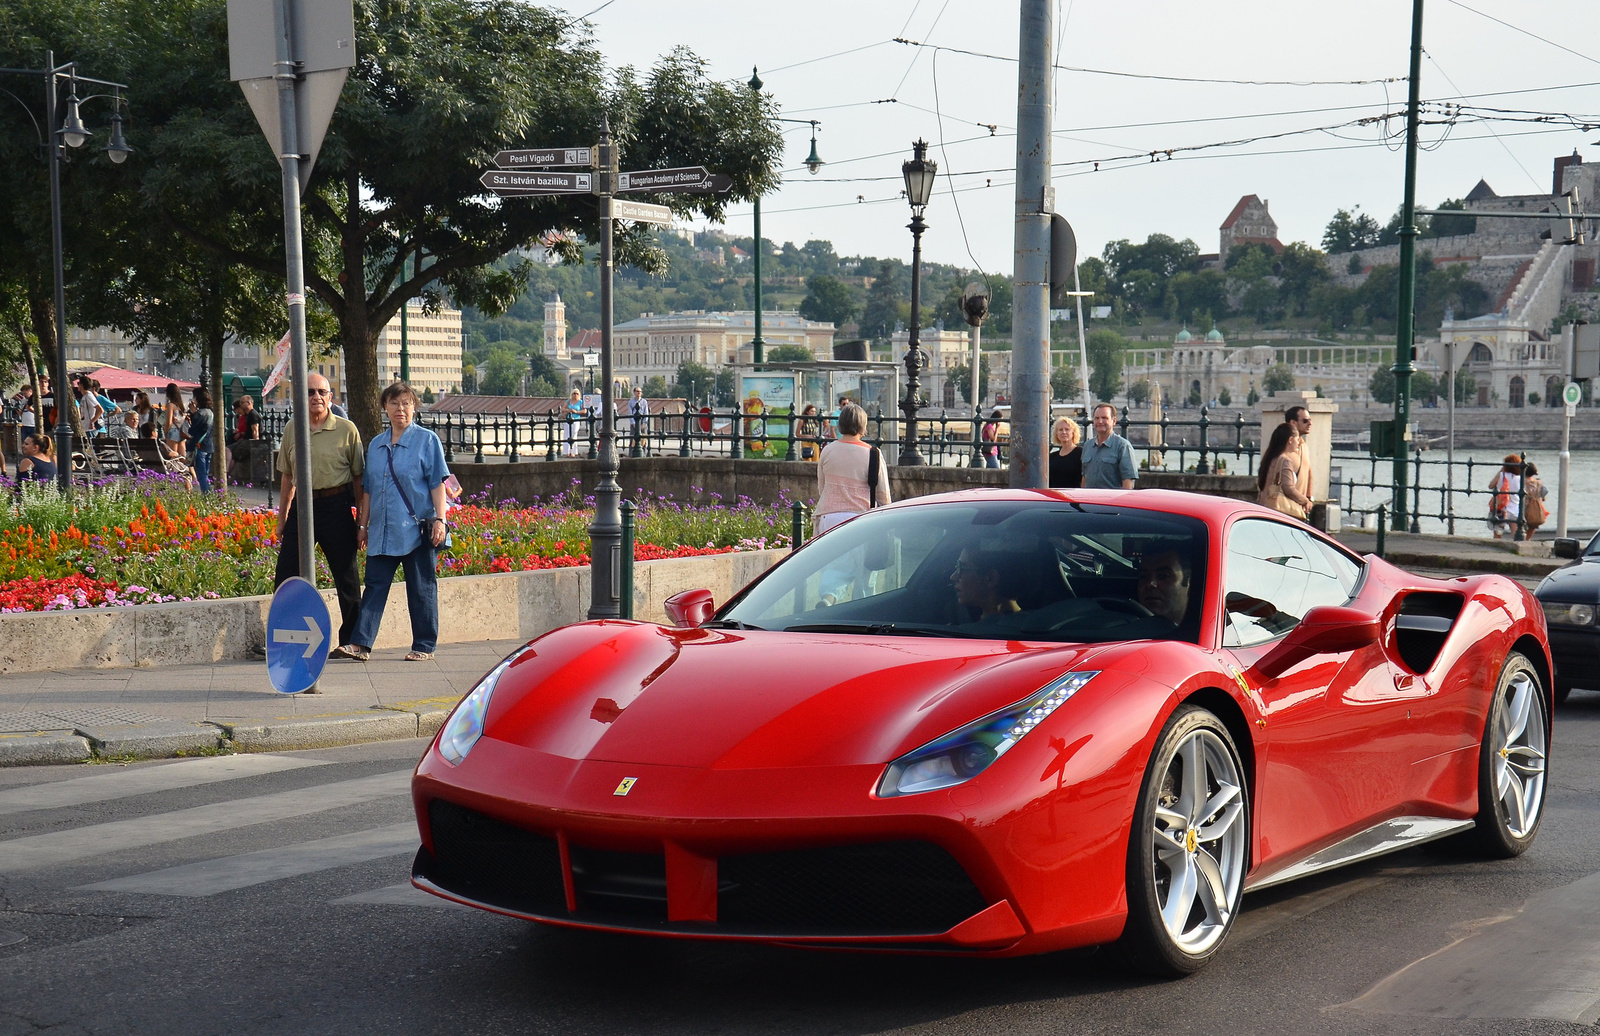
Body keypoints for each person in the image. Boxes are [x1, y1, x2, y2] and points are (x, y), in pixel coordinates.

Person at [343, 381, 451, 663]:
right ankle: (360, 644)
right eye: (394, 403)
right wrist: (363, 526)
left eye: (406, 403)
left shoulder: (427, 441)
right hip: (382, 529)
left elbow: (437, 484)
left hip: (416, 529)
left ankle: (424, 645)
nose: (400, 409)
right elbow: (367, 489)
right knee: (375, 586)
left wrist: (440, 519)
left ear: (414, 407)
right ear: (385, 408)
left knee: (421, 586)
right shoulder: (376, 445)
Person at [275, 372, 365, 665]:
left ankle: (352, 640)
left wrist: (362, 523)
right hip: (303, 507)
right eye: (310, 392)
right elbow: (288, 477)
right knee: (286, 574)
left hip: (336, 506)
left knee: (346, 576)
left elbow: (359, 480)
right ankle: (282, 639)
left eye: (321, 392)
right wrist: (282, 518)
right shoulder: (293, 428)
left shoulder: (346, 430)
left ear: (330, 397)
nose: (316, 397)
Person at [814, 402, 891, 536]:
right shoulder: (873, 454)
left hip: (828, 517)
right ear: (863, 425)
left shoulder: (827, 450)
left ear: (840, 424)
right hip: (861, 517)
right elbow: (883, 495)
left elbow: (822, 487)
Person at [951, 546, 1023, 621]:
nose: (953, 577)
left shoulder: (966, 630)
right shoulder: (1025, 626)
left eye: (961, 568)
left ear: (991, 578)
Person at [1256, 424, 1311, 520]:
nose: (1299, 443)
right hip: (1278, 512)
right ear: (1290, 440)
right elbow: (1288, 488)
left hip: (1264, 508)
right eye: (1297, 440)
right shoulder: (1285, 460)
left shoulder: (1270, 458)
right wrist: (1305, 501)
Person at [1081, 403, 1137, 490]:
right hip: (1089, 501)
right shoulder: (1087, 446)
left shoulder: (1123, 446)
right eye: (1097, 418)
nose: (1100, 421)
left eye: (1104, 418)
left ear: (1114, 421)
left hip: (1110, 501)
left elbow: (1128, 480)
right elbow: (1085, 477)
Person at [1137, 548, 1192, 627]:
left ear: (1189, 581)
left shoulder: (1208, 631)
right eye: (1144, 576)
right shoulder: (1127, 628)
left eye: (1164, 576)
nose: (1150, 584)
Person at [187, 385, 217, 494]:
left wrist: (193, 413)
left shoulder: (201, 413)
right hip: (209, 446)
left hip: (200, 446)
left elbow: (193, 430)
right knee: (206, 472)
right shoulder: (210, 412)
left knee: (201, 474)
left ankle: (206, 494)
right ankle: (208, 491)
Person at [1285, 405, 1315, 504]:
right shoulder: (1283, 447)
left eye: (1310, 420)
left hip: (1300, 505)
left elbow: (1309, 472)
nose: (1310, 424)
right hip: (1285, 506)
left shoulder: (1304, 446)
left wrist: (1309, 497)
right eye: (1305, 421)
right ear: (1293, 422)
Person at [1489, 455, 1523, 540]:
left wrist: (1501, 470)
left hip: (1502, 507)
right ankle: (1515, 549)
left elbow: (1491, 486)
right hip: (1515, 508)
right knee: (1515, 534)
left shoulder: (1502, 475)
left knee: (1498, 533)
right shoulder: (1520, 478)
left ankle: (1496, 548)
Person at [1048, 416, 1083, 488]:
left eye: (1067, 429)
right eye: (1060, 430)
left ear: (1073, 433)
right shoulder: (1052, 457)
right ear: (1056, 434)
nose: (1064, 432)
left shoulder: (1080, 453)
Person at [1523, 462, 1549, 537]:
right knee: (1533, 525)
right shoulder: (1538, 483)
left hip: (1525, 507)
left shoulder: (1522, 482)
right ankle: (1527, 540)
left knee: (1521, 525)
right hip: (1535, 508)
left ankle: (1522, 541)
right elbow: (1544, 494)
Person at [163, 383, 187, 460]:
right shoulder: (181, 406)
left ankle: (174, 472)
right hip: (181, 431)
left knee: (173, 456)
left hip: (173, 431)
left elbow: (169, 422)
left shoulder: (170, 405)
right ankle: (187, 471)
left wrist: (166, 432)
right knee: (182, 456)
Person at [627, 386, 649, 452]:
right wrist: (633, 423)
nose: (639, 393)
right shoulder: (631, 402)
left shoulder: (644, 402)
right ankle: (631, 454)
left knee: (643, 440)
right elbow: (630, 413)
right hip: (634, 422)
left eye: (640, 392)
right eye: (637, 391)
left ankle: (643, 453)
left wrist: (644, 423)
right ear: (634, 392)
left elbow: (646, 413)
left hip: (642, 422)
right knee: (632, 439)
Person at [564, 388, 584, 456]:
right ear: (571, 394)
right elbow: (562, 408)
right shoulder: (568, 401)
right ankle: (566, 452)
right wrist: (568, 410)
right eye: (574, 393)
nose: (575, 395)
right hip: (568, 419)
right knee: (566, 435)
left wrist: (576, 412)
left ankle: (573, 452)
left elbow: (584, 411)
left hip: (576, 419)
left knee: (574, 435)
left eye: (577, 394)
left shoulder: (580, 402)